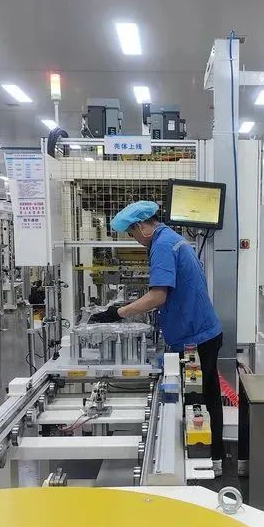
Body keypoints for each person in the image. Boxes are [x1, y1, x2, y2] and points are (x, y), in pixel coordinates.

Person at [90, 201, 226, 477]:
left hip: (195, 336)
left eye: (132, 233)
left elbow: (157, 296)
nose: (134, 239)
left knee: (198, 401)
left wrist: (118, 312)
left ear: (142, 226)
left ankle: (204, 461)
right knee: (207, 395)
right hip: (201, 331)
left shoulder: (162, 245)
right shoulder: (172, 238)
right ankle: (213, 457)